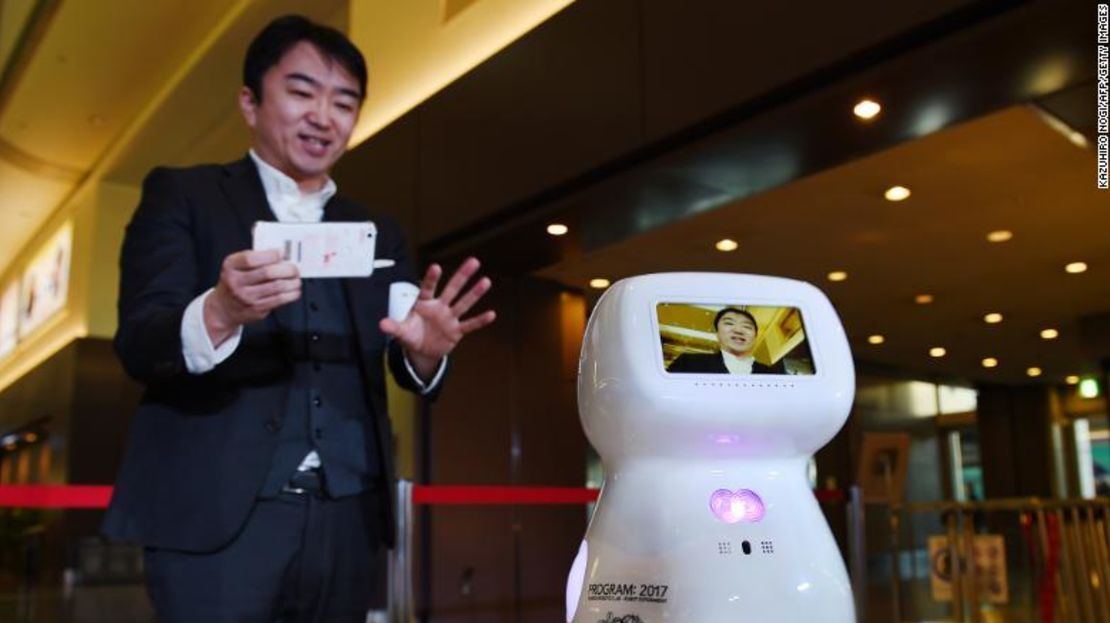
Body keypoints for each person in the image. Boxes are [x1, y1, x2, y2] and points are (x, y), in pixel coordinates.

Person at [102, 15, 495, 622]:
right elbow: (140, 342)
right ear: (250, 102)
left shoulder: (379, 230)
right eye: (302, 91)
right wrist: (220, 309)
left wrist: (424, 352)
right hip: (219, 521)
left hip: (347, 521)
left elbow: (398, 352)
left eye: (344, 101)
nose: (323, 116)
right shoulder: (184, 196)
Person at [667, 307, 784, 374]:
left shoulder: (773, 374)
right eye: (729, 323)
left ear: (755, 336)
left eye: (747, 327)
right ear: (717, 333)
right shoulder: (688, 363)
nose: (738, 330)